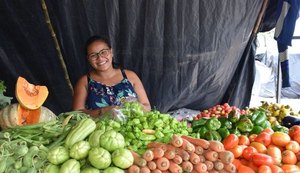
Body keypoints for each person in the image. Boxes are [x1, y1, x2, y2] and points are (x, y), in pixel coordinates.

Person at [72, 35, 151, 117]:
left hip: (133, 128)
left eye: (103, 52)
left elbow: (147, 106)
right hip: (100, 129)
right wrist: (103, 111)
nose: (100, 58)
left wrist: (133, 107)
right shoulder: (84, 81)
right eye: (93, 55)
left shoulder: (130, 76)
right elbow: (77, 113)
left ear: (111, 52)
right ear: (88, 59)